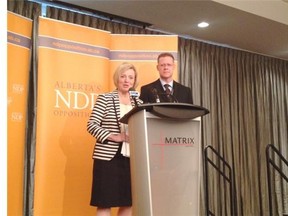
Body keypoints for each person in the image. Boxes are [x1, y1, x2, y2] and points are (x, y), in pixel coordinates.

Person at [87, 62, 142, 216]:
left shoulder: (140, 103)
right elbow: (91, 125)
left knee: (128, 202)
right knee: (105, 203)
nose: (126, 80)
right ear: (117, 78)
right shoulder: (105, 98)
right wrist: (115, 137)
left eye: (130, 77)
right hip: (107, 159)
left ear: (134, 81)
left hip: (132, 160)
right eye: (123, 76)